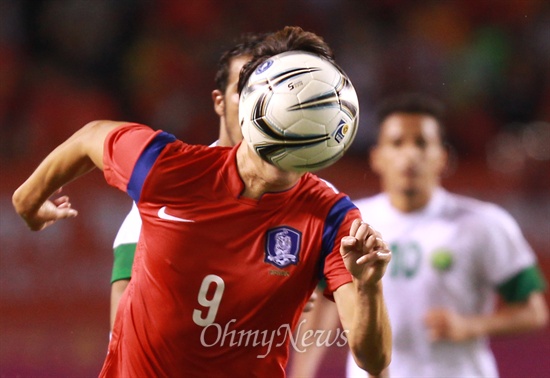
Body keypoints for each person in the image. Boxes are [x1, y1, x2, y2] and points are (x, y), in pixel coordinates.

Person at [12, 26, 393, 377]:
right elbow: (91, 138)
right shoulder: (173, 170)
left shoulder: (332, 218)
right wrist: (27, 201)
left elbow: (373, 360)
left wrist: (368, 287)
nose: (307, 109)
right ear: (251, 103)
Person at [346, 93, 548, 377]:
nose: (410, 154)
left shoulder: (484, 223)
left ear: (443, 157)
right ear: (376, 157)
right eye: (397, 143)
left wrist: (471, 326)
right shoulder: (353, 223)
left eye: (421, 143)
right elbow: (325, 304)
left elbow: (534, 311)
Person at [109, 32, 267, 331]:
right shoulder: (174, 178)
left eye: (266, 91)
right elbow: (126, 285)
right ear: (219, 102)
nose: (255, 102)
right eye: (244, 89)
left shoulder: (308, 195)